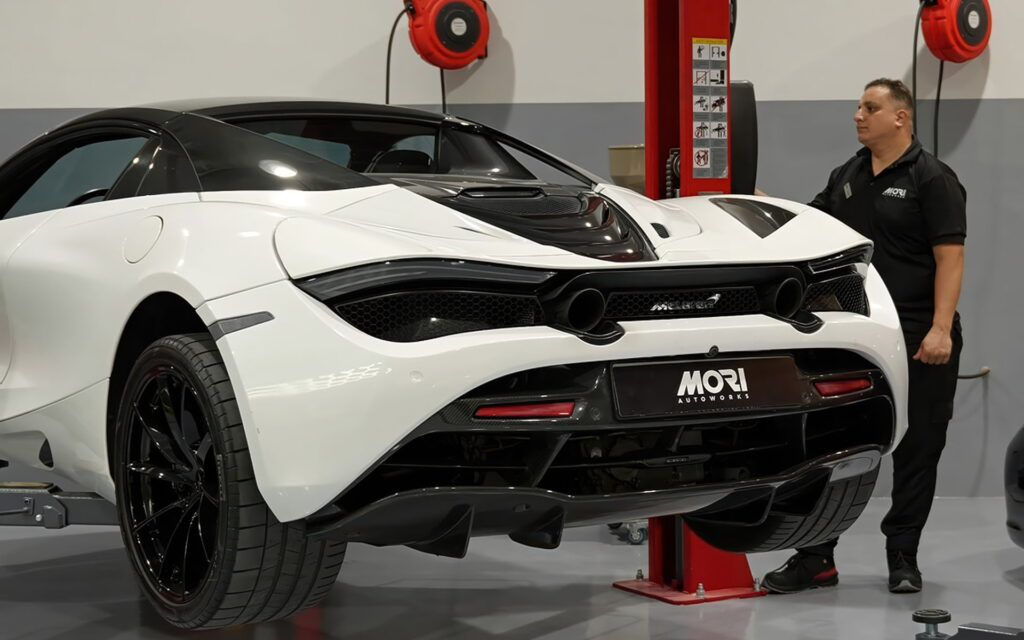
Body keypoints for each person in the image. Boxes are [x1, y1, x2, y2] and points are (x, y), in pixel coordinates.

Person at [761, 78, 966, 594]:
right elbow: (811, 225)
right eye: (857, 106)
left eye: (870, 107)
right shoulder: (848, 174)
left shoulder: (932, 178)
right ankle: (815, 558)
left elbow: (951, 257)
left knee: (918, 449)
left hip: (922, 334)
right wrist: (758, 201)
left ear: (900, 117)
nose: (858, 115)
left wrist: (941, 329)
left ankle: (903, 557)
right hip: (860, 335)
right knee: (834, 447)